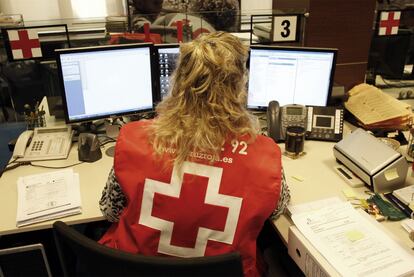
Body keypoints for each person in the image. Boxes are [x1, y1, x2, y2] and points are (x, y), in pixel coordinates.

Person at [99, 32, 290, 277]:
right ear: (239, 86)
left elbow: (110, 211)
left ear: (178, 81)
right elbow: (276, 208)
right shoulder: (264, 156)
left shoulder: (134, 139)